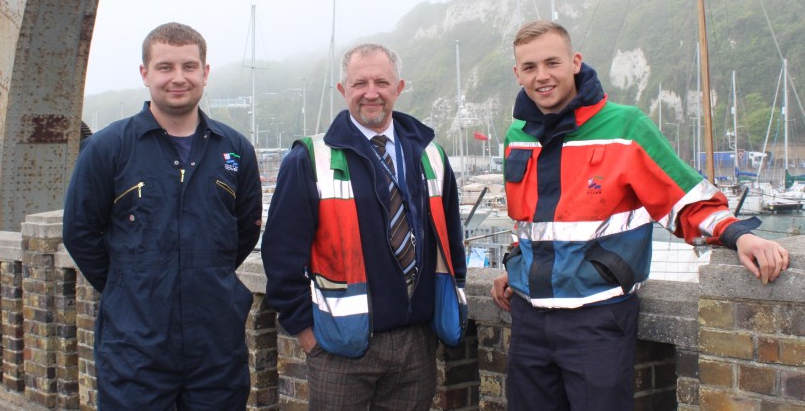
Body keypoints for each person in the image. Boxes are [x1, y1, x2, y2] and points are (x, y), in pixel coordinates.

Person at [491, 20, 789, 410]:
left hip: (597, 318)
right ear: (517, 73)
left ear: (575, 62)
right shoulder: (517, 136)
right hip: (528, 318)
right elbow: (531, 221)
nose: (541, 76)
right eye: (529, 67)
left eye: (552, 63)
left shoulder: (626, 126)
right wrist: (519, 263)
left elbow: (685, 200)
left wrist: (739, 235)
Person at [62, 22, 262, 409]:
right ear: (145, 73)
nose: (178, 78)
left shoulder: (235, 149)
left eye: (189, 66)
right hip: (134, 346)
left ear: (205, 72)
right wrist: (129, 285)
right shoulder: (107, 148)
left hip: (216, 344)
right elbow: (79, 233)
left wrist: (203, 274)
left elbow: (245, 230)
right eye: (165, 67)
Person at [262, 43, 467, 410]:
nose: (371, 93)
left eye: (381, 82)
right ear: (343, 90)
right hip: (339, 351)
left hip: (416, 346)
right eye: (360, 83)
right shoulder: (309, 159)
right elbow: (280, 256)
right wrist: (308, 335)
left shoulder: (431, 154)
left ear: (398, 88)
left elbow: (452, 242)